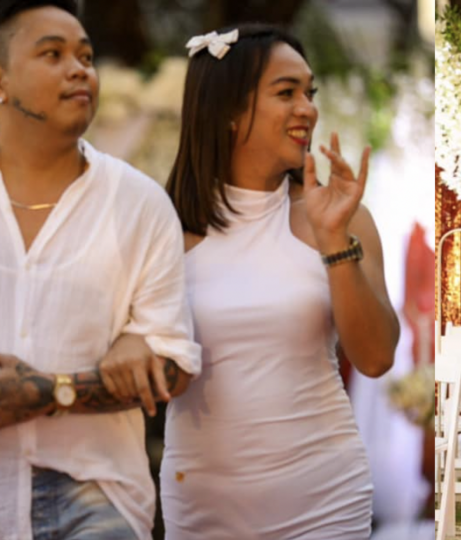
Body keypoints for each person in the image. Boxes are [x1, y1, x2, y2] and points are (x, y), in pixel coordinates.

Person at [0, 1, 201, 538]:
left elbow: (173, 367)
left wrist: (55, 390)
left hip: (98, 499)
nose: (79, 69)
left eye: (86, 56)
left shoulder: (139, 203)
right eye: (53, 54)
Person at [160, 24, 400, 539]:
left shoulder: (343, 218)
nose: (307, 109)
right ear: (227, 109)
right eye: (286, 93)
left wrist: (334, 238)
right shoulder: (165, 228)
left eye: (309, 93)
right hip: (203, 505)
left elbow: (377, 357)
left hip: (325, 501)